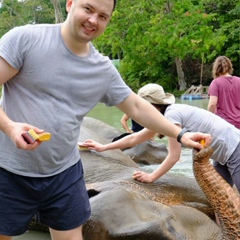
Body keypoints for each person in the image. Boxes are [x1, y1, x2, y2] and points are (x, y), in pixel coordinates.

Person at [0, 0, 211, 239]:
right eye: (88, 9)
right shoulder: (25, 39)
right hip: (9, 169)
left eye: (103, 16)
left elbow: (136, 105)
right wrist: (10, 127)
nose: (93, 20)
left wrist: (181, 134)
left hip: (64, 172)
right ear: (70, 4)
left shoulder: (102, 70)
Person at [83, 84, 240, 194]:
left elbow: (174, 156)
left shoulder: (171, 115)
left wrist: (152, 176)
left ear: (151, 105)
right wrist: (103, 147)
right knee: (219, 199)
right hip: (222, 157)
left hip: (234, 149)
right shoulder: (162, 118)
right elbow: (135, 138)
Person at [208, 56, 240, 186]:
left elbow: (212, 104)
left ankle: (223, 192)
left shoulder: (216, 83)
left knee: (221, 159)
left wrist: (208, 119)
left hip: (224, 126)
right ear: (229, 66)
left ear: (216, 68)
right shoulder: (239, 81)